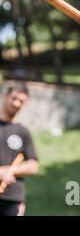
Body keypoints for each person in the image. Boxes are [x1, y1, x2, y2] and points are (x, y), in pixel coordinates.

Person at [0, 83, 39, 216]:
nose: (16, 103)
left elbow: (33, 166)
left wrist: (8, 171)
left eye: (21, 101)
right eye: (14, 98)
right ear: (5, 96)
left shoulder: (23, 132)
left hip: (12, 198)